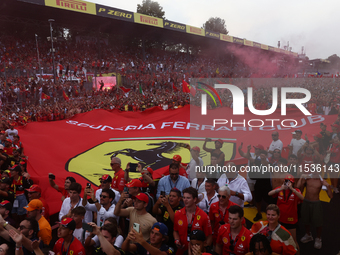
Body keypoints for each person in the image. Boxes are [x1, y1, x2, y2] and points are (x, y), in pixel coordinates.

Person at [297, 170, 333, 249]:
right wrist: (301, 177)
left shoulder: (322, 181)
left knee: (318, 222)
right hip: (306, 202)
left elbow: (330, 196)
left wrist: (328, 186)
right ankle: (308, 235)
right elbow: (298, 186)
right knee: (305, 220)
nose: (315, 172)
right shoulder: (307, 179)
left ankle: (318, 238)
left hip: (316, 203)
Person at [268, 174, 304, 251]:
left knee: (294, 241)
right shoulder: (280, 189)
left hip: (291, 220)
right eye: (286, 181)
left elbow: (302, 198)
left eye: (290, 182)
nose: (287, 183)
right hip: (280, 219)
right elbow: (269, 193)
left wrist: (292, 189)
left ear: (293, 183)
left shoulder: (296, 191)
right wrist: (280, 188)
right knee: (279, 239)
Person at [173, 187, 212, 255]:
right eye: (184, 197)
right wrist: (177, 241)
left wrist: (203, 249)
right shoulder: (178, 214)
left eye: (188, 198)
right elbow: (175, 230)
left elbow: (209, 236)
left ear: (194, 199)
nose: (185, 200)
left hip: (197, 253)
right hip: (181, 251)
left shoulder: (204, 216)